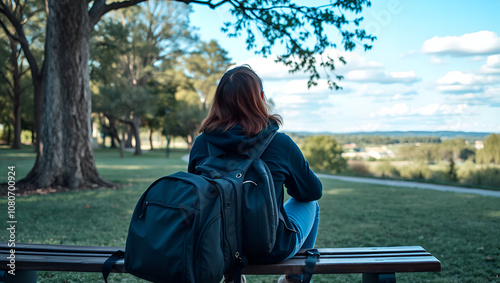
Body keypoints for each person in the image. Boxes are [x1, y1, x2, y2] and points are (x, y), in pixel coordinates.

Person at [188, 65, 322, 283]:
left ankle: (232, 277)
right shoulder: (280, 143)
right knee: (311, 205)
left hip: (217, 247)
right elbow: (312, 191)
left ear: (219, 101)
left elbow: (198, 200)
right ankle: (293, 280)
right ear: (261, 97)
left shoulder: (202, 144)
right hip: (270, 248)